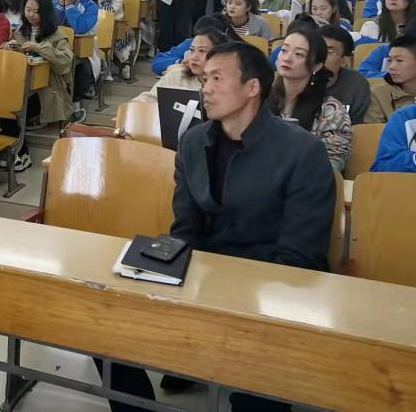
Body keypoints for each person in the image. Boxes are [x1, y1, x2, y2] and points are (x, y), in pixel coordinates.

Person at [92, 42, 336, 412]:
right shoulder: (194, 141)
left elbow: (300, 258)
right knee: (101, 321)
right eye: (205, 79)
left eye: (217, 79)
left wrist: (229, 302)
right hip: (203, 279)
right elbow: (185, 230)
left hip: (275, 294)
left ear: (251, 87)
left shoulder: (302, 152)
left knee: (256, 391)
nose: (205, 88)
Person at [268, 25, 353, 173]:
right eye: (284, 50)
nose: (287, 58)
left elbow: (332, 164)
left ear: (317, 66)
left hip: (305, 181)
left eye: (299, 54)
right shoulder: (257, 98)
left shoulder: (332, 111)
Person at [3, 0, 75, 136]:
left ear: (45, 12)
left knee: (16, 109)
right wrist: (9, 48)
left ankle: (26, 130)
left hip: (47, 86)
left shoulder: (57, 34)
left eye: (36, 11)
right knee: (6, 104)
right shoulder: (19, 32)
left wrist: (39, 48)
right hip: (21, 83)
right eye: (28, 10)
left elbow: (65, 62)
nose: (31, 15)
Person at [132, 23, 227, 104]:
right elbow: (147, 100)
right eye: (192, 50)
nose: (194, 57)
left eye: (202, 51)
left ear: (219, 55)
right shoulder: (176, 76)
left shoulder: (229, 84)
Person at [53, 0, 99, 120]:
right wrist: (61, 5)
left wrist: (68, 5)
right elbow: (52, 26)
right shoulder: (54, 3)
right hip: (56, 47)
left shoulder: (90, 6)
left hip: (84, 48)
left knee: (78, 63)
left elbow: (80, 27)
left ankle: (76, 102)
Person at [364, 33, 416, 124]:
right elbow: (374, 131)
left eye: (399, 60)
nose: (391, 67)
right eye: (390, 60)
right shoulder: (378, 95)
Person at [318, 25, 370, 125]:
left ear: (345, 60)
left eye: (329, 52)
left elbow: (356, 127)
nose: (320, 56)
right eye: (317, 50)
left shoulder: (357, 84)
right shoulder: (300, 78)